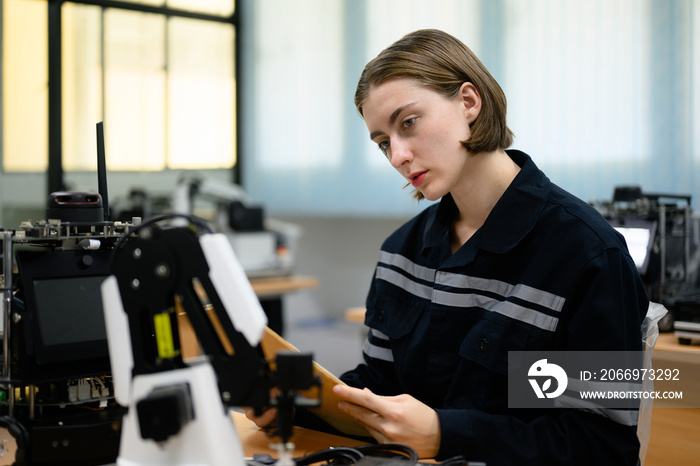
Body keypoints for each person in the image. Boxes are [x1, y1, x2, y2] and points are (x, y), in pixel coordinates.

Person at [248, 29, 649, 465]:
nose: (398, 155)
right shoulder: (400, 252)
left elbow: (602, 445)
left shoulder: (586, 255)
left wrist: (445, 435)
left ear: (469, 103)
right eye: (383, 142)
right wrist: (298, 406)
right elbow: (381, 384)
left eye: (408, 123)